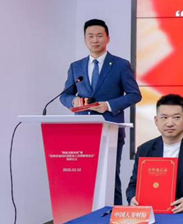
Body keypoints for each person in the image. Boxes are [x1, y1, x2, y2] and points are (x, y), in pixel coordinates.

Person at [61, 19, 142, 205]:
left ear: (108, 38)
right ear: (85, 39)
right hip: (83, 130)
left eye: (99, 36)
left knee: (110, 176)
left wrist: (109, 105)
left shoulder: (120, 65)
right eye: (90, 36)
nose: (95, 40)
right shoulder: (76, 66)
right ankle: (86, 214)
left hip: (110, 129)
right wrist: (73, 100)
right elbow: (65, 95)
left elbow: (134, 94)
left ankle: (114, 215)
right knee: (84, 176)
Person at [127, 94, 183, 212]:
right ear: (156, 120)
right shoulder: (144, 150)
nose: (170, 123)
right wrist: (133, 198)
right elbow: (134, 184)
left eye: (176, 117)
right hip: (155, 212)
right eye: (164, 117)